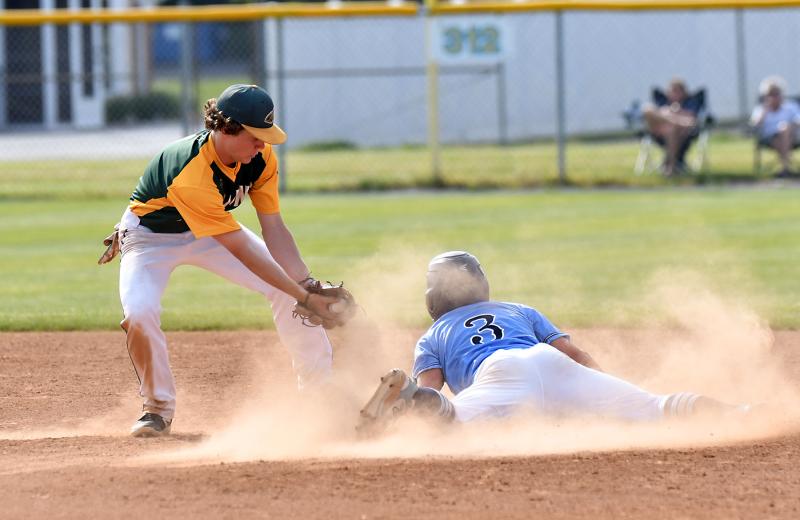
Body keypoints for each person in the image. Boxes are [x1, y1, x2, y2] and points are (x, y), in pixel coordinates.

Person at [101, 84, 340, 437]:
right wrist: (305, 297)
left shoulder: (260, 159)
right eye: (256, 136)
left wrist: (303, 283)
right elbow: (241, 249)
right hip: (150, 237)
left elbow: (273, 226)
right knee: (140, 312)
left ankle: (320, 397)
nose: (262, 144)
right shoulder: (191, 172)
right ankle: (157, 409)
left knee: (287, 289)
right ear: (227, 127)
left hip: (211, 230)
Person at [358, 251, 751, 431]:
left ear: (432, 295)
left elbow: (434, 389)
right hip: (548, 360)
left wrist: (413, 412)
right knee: (656, 407)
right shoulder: (516, 309)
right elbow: (574, 354)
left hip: (498, 375)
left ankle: (402, 398)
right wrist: (598, 389)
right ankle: (742, 414)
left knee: (453, 419)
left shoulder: (434, 334)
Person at [642, 78, 702, 176]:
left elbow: (691, 121)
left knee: (671, 129)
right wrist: (670, 115)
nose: (675, 93)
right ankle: (673, 120)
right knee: (647, 108)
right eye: (672, 90)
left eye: (678, 90)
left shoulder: (690, 103)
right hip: (658, 131)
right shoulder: (662, 101)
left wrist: (674, 113)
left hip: (679, 134)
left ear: (684, 92)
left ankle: (671, 166)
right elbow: (650, 113)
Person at [750, 76, 800, 178]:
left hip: (791, 136)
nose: (774, 97)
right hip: (769, 139)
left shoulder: (790, 107)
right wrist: (765, 111)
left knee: (784, 129)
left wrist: (791, 125)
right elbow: (755, 125)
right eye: (770, 94)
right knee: (781, 137)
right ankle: (786, 168)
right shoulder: (761, 109)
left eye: (776, 93)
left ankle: (784, 169)